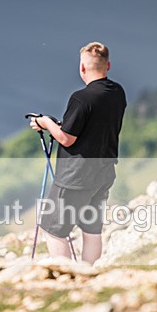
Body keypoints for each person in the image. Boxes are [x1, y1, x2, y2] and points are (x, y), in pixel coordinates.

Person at [29, 41, 126, 264]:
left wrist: (45, 123)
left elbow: (66, 138)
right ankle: (88, 273)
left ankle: (68, 278)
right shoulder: (117, 92)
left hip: (76, 177)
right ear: (108, 65)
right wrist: (62, 124)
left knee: (54, 230)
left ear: (82, 68)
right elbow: (95, 125)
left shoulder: (81, 98)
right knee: (91, 229)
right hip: (104, 172)